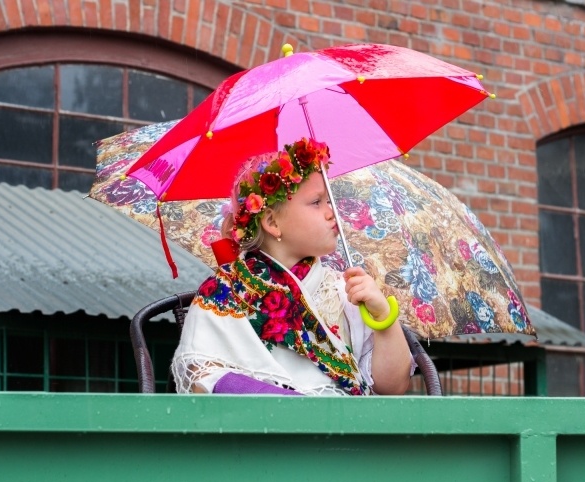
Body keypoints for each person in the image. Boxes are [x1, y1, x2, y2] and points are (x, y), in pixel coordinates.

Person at [171, 138, 414, 396]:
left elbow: (393, 388)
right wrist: (289, 404)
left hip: (346, 431)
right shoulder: (223, 293)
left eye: (328, 200)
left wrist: (383, 320)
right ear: (272, 222)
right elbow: (203, 379)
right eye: (316, 202)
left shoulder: (346, 292)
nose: (331, 212)